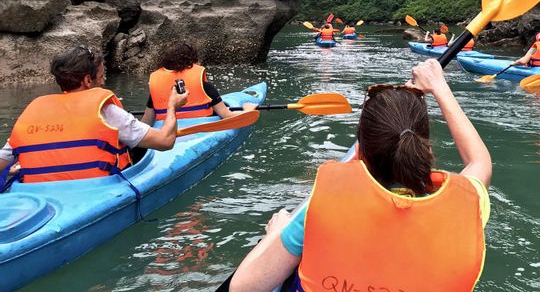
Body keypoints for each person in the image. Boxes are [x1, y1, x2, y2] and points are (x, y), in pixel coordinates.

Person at [226, 59, 492, 292]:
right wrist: (439, 87)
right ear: (427, 148)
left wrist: (278, 232)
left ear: (361, 151)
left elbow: (243, 287)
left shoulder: (323, 205)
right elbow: (479, 161)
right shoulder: (468, 205)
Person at [0, 46, 188, 185]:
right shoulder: (106, 111)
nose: (104, 81)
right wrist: (172, 106)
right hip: (96, 191)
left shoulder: (35, 111)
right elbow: (165, 141)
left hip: (38, 194)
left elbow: (3, 161)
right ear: (88, 81)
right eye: (102, 76)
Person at [142, 43, 256, 125]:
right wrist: (247, 110)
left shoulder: (157, 87)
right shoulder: (205, 86)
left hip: (166, 130)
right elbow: (226, 115)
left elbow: (146, 122)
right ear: (192, 62)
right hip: (200, 127)